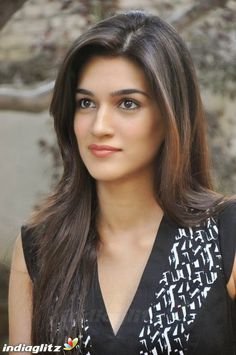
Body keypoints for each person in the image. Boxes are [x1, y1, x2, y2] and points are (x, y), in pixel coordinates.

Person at [9, 10, 236, 355]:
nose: (99, 125)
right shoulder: (40, 248)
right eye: (86, 103)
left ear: (170, 116)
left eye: (127, 103)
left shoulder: (224, 236)